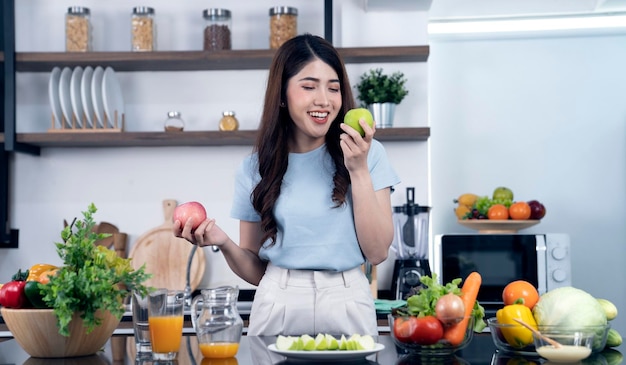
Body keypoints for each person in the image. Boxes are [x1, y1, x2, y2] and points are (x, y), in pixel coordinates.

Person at [174, 33, 400, 336]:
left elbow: (377, 253)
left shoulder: (367, 153)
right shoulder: (255, 169)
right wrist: (222, 242)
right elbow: (256, 271)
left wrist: (357, 169)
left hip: (349, 299)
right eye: (308, 86)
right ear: (282, 95)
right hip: (278, 301)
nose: (323, 100)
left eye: (333, 88)